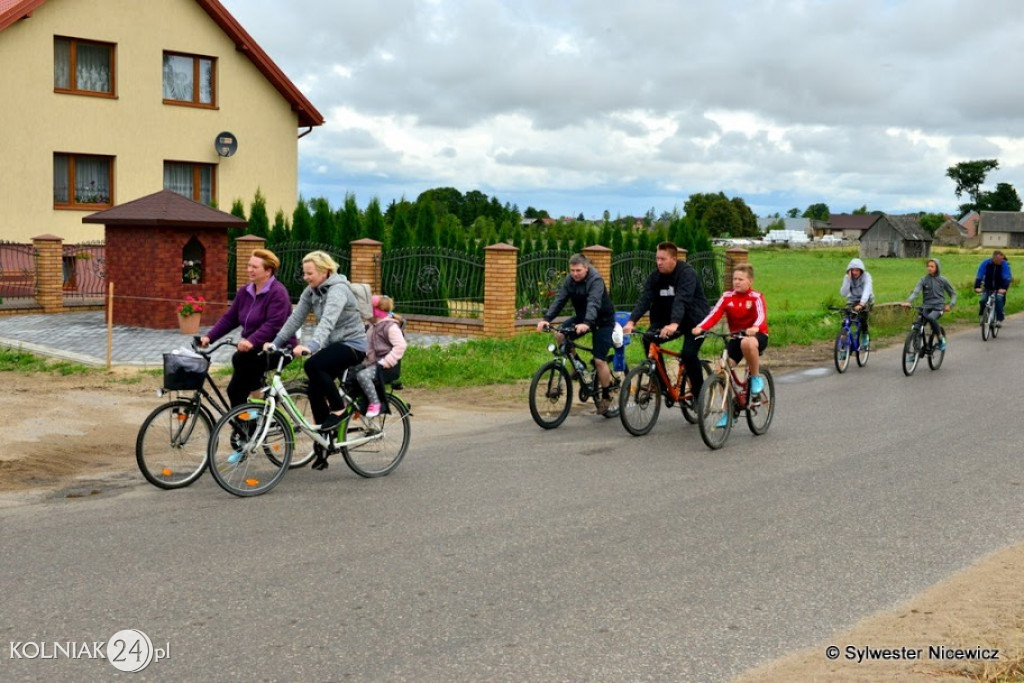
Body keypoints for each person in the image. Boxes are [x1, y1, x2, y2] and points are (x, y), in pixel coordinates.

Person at [267, 251, 367, 432]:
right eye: (304, 273)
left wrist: (312, 346)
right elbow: (296, 318)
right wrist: (276, 342)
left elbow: (328, 321)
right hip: (333, 346)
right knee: (314, 390)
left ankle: (339, 409)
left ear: (324, 271)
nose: (305, 277)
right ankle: (324, 442)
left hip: (353, 345)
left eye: (309, 273)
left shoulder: (338, 290)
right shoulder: (311, 292)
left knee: (313, 365)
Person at [200, 248, 293, 407]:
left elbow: (273, 325)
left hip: (278, 347)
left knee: (239, 371)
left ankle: (253, 416)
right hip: (253, 349)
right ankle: (248, 424)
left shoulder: (278, 293)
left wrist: (251, 341)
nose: (249, 270)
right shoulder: (245, 291)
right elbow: (230, 318)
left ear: (268, 271)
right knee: (236, 385)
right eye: (248, 266)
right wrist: (210, 337)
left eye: (254, 267)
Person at [622, 241, 710, 401]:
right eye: (657, 259)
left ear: (674, 259)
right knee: (648, 338)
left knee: (689, 355)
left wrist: (674, 323)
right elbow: (645, 299)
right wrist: (631, 321)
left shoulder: (686, 274)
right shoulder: (655, 277)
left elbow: (681, 299)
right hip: (668, 320)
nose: (659, 263)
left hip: (695, 321)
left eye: (663, 259)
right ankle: (661, 384)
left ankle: (699, 396)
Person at [536, 253, 618, 415]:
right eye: (572, 270)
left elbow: (594, 302)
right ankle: (579, 366)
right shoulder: (570, 281)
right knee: (560, 335)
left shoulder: (595, 280)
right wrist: (546, 319)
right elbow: (560, 300)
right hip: (583, 318)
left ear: (586, 268)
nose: (574, 274)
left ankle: (607, 396)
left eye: (578, 270)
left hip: (603, 321)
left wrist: (587, 323)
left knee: (599, 360)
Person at [692, 264, 769, 426]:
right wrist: (701, 327)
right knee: (720, 369)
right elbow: (714, 314)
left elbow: (762, 316)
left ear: (750, 281)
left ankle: (755, 377)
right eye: (734, 279)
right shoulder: (727, 297)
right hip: (736, 337)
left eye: (741, 279)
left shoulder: (756, 297)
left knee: (747, 343)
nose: (736, 282)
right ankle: (729, 411)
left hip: (757, 335)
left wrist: (754, 327)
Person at [354, 295, 407, 418]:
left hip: (385, 367)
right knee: (350, 372)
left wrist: (386, 362)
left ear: (376, 312)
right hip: (371, 363)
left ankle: (375, 403)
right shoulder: (371, 326)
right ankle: (353, 403)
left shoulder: (390, 327)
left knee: (363, 375)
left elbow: (401, 346)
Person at [901, 258, 956, 350]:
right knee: (916, 327)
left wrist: (950, 305)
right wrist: (908, 301)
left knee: (931, 318)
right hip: (926, 306)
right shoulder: (923, 280)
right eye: (928, 266)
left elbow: (953, 293)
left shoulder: (943, 280)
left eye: (932, 266)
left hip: (938, 308)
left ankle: (940, 338)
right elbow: (916, 292)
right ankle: (916, 351)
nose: (929, 268)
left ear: (937, 268)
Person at [839, 257, 874, 347]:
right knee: (845, 322)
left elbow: (867, 291)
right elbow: (843, 293)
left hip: (866, 300)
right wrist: (848, 280)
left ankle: (865, 335)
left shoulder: (867, 277)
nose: (854, 272)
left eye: (857, 270)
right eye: (853, 270)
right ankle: (843, 345)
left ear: (861, 270)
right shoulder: (848, 277)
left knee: (863, 318)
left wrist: (861, 304)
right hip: (853, 299)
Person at [974, 250, 1011, 326]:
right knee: (983, 300)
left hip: (999, 288)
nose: (1001, 261)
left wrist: (1004, 288)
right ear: (994, 258)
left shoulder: (1004, 264)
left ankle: (999, 319)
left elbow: (1007, 277)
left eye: (1002, 259)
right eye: (999, 260)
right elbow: (979, 274)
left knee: (999, 300)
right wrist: (977, 286)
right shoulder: (986, 263)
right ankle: (983, 316)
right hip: (988, 287)